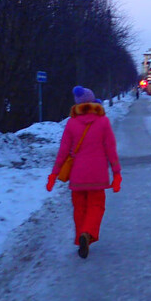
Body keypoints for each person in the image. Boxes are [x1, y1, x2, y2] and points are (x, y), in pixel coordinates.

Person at [47, 86, 122, 259]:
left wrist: (54, 174)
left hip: (77, 176)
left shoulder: (72, 123)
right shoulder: (103, 121)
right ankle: (87, 234)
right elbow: (111, 149)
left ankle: (82, 233)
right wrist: (117, 174)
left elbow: (63, 151)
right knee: (96, 206)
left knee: (79, 208)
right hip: (98, 176)